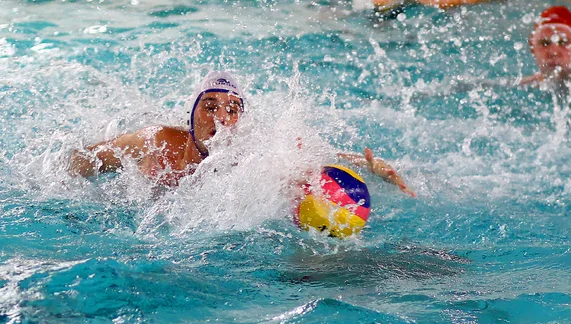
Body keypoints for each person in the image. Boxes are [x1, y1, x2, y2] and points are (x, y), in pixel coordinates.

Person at [69, 71, 416, 196]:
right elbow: (82, 160)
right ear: (190, 115)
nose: (220, 119)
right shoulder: (156, 141)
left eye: (232, 111)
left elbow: (315, 157)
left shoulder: (247, 156)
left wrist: (370, 169)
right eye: (209, 107)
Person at [520, 6, 571, 90]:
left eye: (563, 42)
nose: (553, 52)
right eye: (545, 43)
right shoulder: (527, 86)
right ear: (532, 47)